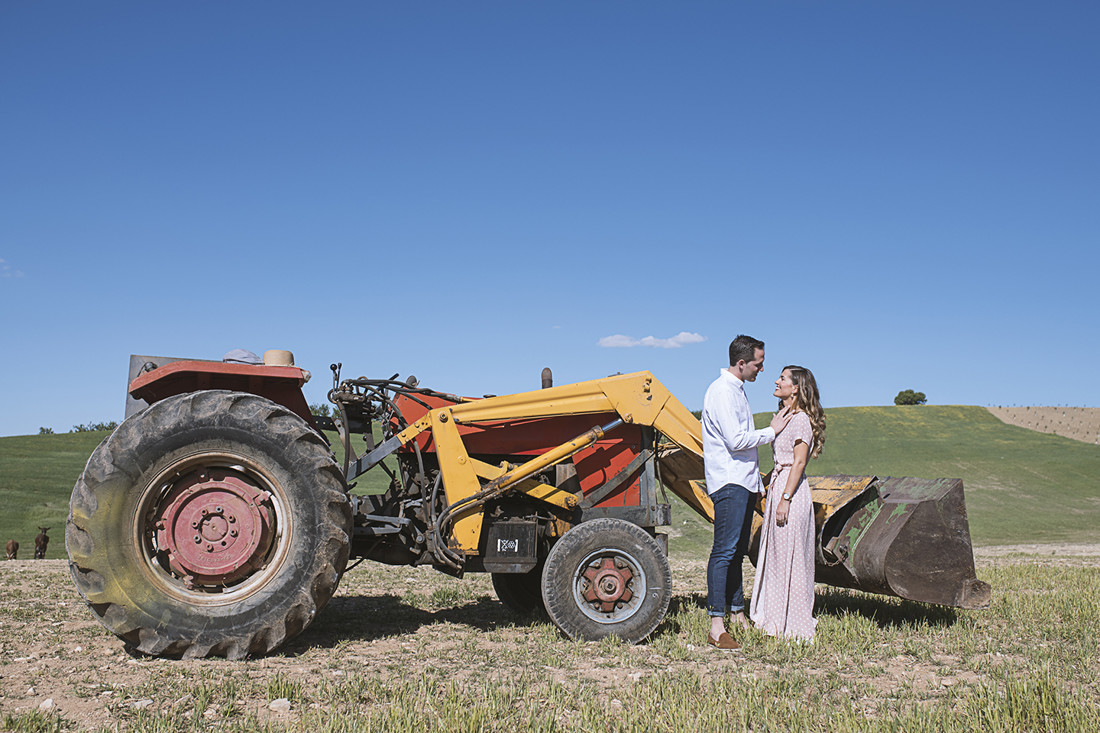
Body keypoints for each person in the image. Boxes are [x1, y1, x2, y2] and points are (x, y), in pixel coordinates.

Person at [702, 335, 792, 650]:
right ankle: (716, 626)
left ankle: (737, 613)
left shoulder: (736, 391)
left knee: (736, 551)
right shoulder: (722, 393)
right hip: (729, 481)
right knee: (724, 551)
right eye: (758, 363)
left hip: (742, 480)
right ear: (742, 363)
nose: (762, 369)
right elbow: (736, 440)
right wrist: (773, 430)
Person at [749, 365, 826, 642]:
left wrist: (784, 499)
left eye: (782, 378)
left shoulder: (802, 420)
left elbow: (799, 462)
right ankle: (774, 616)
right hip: (780, 486)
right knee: (778, 556)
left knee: (791, 556)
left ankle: (792, 621)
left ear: (796, 388)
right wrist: (765, 484)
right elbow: (780, 462)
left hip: (791, 493)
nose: (776, 381)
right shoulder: (782, 416)